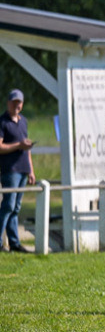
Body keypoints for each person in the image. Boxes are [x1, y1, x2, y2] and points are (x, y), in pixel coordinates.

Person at [0, 90, 36, 253]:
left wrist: (31, 170)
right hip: (10, 170)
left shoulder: (24, 122)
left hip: (23, 169)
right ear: (8, 103)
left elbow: (26, 149)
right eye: (14, 102)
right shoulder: (3, 122)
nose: (17, 105)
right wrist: (18, 145)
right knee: (7, 206)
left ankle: (14, 243)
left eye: (19, 102)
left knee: (16, 208)